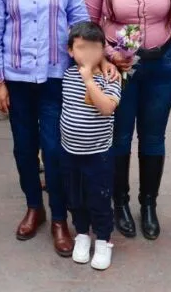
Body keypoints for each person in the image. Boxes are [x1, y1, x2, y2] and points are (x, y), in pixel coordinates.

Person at [0, 0, 89, 257]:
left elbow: (80, 22)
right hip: (16, 80)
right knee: (23, 148)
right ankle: (35, 206)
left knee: (55, 149)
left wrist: (84, 68)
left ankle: (60, 217)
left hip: (55, 77)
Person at [84, 0, 171, 241]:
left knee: (154, 137)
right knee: (121, 137)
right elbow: (88, 25)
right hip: (118, 70)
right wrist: (111, 55)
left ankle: (149, 204)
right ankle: (120, 202)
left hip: (160, 65)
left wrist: (155, 45)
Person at [60, 21, 122, 270]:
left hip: (98, 154)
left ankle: (104, 240)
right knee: (75, 197)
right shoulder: (67, 74)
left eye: (94, 48)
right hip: (70, 152)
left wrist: (89, 79)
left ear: (103, 50)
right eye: (80, 48)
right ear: (70, 51)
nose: (86, 54)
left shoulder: (111, 78)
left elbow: (107, 109)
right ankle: (82, 234)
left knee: (99, 198)